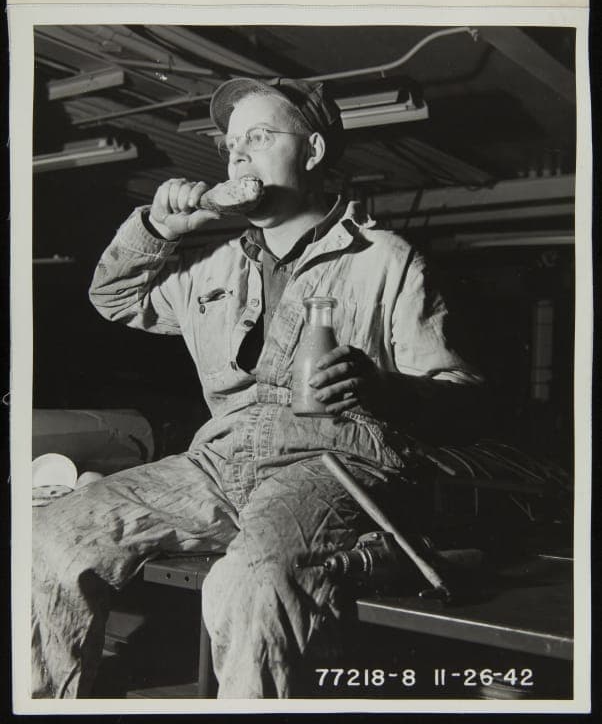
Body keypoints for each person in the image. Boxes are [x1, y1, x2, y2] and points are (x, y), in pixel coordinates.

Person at [31, 77, 485, 699]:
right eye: (230, 144)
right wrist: (158, 229)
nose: (236, 153)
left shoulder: (387, 258)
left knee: (251, 584)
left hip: (332, 460)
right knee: (53, 536)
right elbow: (113, 298)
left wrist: (382, 388)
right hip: (217, 463)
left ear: (315, 152)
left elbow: (461, 395)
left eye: (260, 136)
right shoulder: (213, 266)